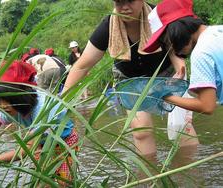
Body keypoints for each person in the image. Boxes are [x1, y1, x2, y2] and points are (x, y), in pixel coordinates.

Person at [62, 0, 198, 156]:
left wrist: (179, 72)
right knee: (141, 132)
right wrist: (62, 100)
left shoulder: (159, 16)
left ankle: (190, 173)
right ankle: (149, 178)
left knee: (181, 125)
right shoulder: (108, 26)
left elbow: (175, 51)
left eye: (130, 1)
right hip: (129, 80)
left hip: (165, 75)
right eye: (119, 2)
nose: (124, 7)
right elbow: (82, 65)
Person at [0, 60, 78, 186]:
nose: (2, 105)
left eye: (8, 99)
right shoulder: (11, 108)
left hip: (64, 141)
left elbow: (28, 148)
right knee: (42, 180)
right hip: (40, 145)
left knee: (63, 183)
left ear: (23, 94)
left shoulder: (43, 108)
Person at [143, 0, 223, 115]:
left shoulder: (201, 53)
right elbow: (211, 93)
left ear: (175, 28)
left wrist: (162, 94)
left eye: (167, 41)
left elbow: (207, 106)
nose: (171, 49)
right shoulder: (218, 31)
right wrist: (178, 86)